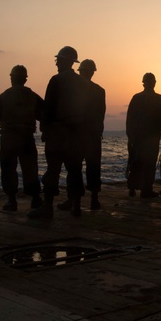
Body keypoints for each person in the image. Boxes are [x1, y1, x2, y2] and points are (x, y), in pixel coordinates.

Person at [30, 46, 86, 218]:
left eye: (58, 60)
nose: (56, 63)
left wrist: (45, 130)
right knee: (75, 170)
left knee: (53, 170)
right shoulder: (82, 82)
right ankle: (76, 207)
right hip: (76, 134)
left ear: (63, 61)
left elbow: (48, 108)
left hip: (58, 133)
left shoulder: (56, 80)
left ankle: (47, 207)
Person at [0, 65, 44, 213]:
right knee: (30, 168)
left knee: (9, 169)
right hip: (26, 137)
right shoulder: (33, 96)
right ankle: (35, 199)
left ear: (12, 79)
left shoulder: (5, 96)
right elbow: (43, 114)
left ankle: (12, 200)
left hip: (9, 137)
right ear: (25, 79)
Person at [125, 72, 161, 199]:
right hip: (149, 137)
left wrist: (130, 135)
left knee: (136, 161)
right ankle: (145, 189)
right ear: (153, 83)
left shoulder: (137, 98)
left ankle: (134, 188)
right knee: (147, 163)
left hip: (140, 137)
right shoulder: (158, 99)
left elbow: (129, 119)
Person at [71, 58, 106, 211]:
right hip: (93, 135)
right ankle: (94, 200)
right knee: (93, 167)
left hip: (78, 135)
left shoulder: (74, 89)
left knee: (75, 168)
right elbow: (101, 114)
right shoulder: (99, 91)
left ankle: (76, 204)